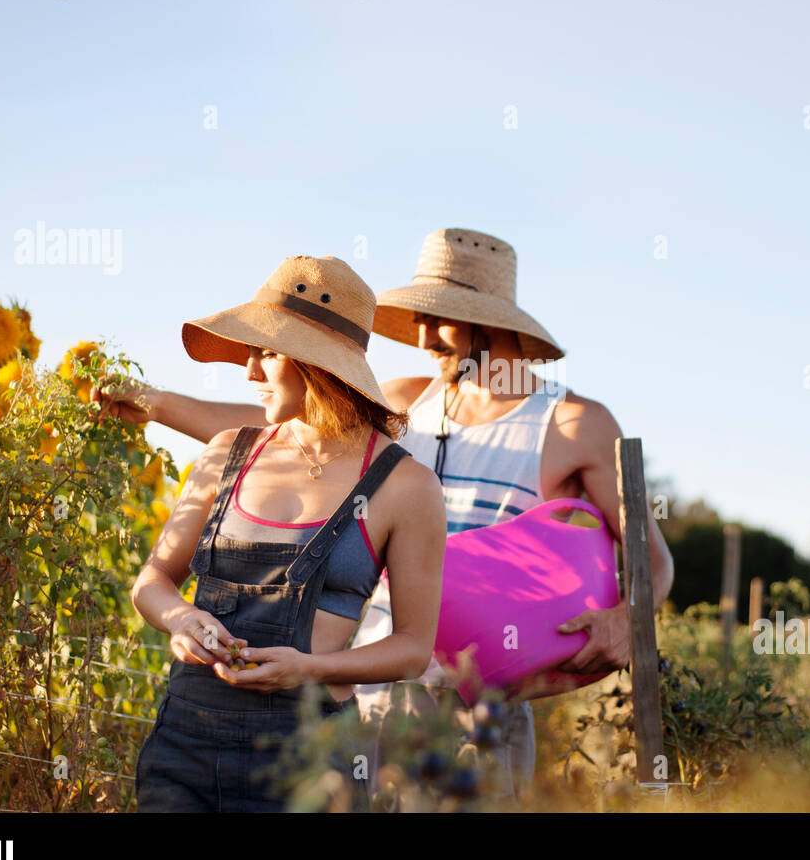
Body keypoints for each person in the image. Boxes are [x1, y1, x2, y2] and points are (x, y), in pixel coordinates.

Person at [101, 229, 674, 800]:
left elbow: (652, 558)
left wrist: (626, 619)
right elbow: (286, 431)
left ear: (493, 324)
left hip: (482, 703)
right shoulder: (408, 402)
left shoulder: (574, 423)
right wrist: (155, 404)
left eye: (443, 318)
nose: (424, 336)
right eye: (419, 317)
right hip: (370, 689)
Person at [130, 254, 446, 812]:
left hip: (311, 761)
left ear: (318, 364)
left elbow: (413, 649)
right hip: (185, 742)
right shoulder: (227, 452)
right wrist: (179, 617)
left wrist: (311, 667)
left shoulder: (406, 486)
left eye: (267, 352)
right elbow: (153, 580)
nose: (249, 371)